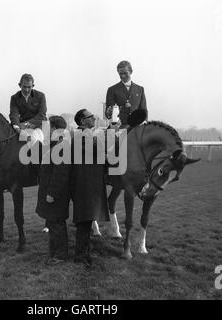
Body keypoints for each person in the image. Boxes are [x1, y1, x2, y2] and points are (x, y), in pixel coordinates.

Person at [71, 109, 109, 268]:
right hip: (84, 185)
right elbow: (98, 148)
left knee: (86, 222)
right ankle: (80, 256)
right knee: (84, 222)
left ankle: (84, 252)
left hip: (89, 184)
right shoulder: (81, 135)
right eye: (90, 116)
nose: (94, 118)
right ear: (82, 121)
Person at [36, 116, 71, 265]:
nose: (47, 130)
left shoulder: (61, 146)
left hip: (56, 195)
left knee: (57, 224)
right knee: (52, 223)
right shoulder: (55, 144)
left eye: (49, 127)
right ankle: (54, 252)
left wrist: (51, 193)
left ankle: (61, 255)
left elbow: (61, 173)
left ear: (55, 128)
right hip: (51, 192)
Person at [105, 60, 147, 128]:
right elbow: (108, 113)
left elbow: (144, 110)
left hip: (136, 128)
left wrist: (144, 124)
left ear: (131, 71)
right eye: (120, 74)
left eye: (125, 73)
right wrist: (109, 112)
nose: (123, 76)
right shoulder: (112, 90)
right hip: (119, 128)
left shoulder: (140, 89)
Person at [9, 73, 47, 143]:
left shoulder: (41, 96)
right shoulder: (14, 98)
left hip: (38, 127)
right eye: (24, 87)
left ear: (33, 86)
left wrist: (24, 125)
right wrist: (17, 128)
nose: (26, 90)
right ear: (20, 85)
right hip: (20, 127)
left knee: (35, 141)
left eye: (29, 87)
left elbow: (41, 115)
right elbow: (14, 114)